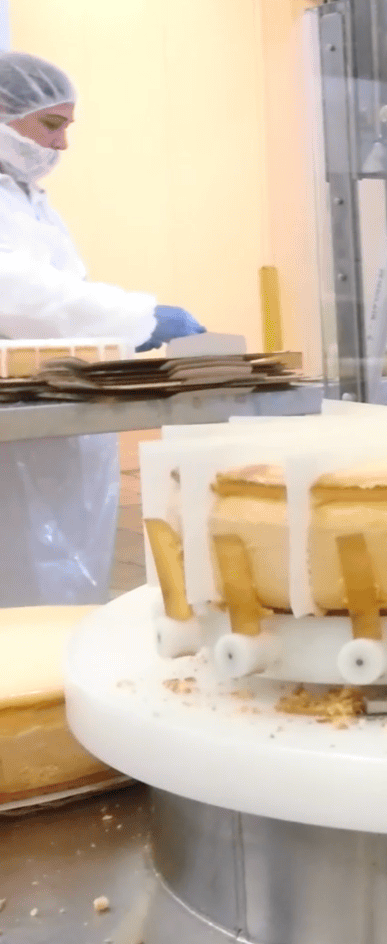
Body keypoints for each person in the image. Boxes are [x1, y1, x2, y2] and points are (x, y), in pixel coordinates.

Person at [0, 51, 204, 605]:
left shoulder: (28, 199)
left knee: (61, 585)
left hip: (42, 420)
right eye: (51, 124)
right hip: (15, 432)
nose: (62, 144)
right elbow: (20, 294)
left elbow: (58, 288)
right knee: (20, 593)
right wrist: (138, 317)